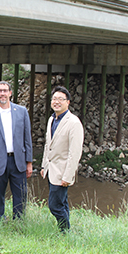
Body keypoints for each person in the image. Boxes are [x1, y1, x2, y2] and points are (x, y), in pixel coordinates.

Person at [0, 81, 33, 220]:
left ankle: (19, 219)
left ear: (10, 93)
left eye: (5, 90)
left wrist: (29, 162)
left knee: (20, 193)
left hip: (18, 160)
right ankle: (0, 218)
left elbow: (27, 138)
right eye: (0, 90)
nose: (3, 93)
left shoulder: (21, 111)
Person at [40, 86, 84, 233]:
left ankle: (64, 230)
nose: (56, 102)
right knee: (62, 202)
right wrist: (44, 166)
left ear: (68, 102)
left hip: (62, 172)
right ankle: (66, 231)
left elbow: (75, 152)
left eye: (61, 99)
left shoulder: (74, 123)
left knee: (54, 205)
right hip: (51, 169)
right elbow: (48, 145)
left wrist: (68, 175)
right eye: (54, 99)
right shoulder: (52, 119)